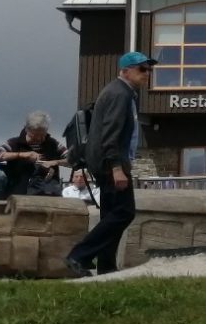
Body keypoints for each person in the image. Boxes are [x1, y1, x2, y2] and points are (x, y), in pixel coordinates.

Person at [66, 52, 154, 277]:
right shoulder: (119, 94)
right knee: (124, 212)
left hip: (104, 162)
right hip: (110, 164)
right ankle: (79, 255)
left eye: (149, 69)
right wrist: (117, 168)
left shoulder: (121, 92)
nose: (148, 73)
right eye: (142, 69)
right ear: (125, 71)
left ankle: (105, 265)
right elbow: (111, 134)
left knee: (110, 214)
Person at [0, 111, 67, 199]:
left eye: (42, 135)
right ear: (27, 130)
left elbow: (73, 159)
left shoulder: (53, 144)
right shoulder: (14, 143)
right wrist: (22, 155)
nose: (40, 139)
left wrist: (55, 162)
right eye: (35, 135)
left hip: (47, 196)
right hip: (17, 196)